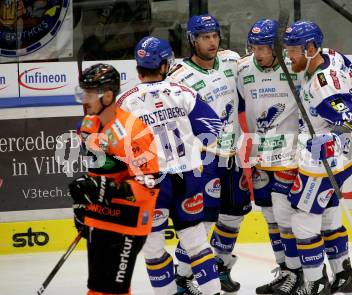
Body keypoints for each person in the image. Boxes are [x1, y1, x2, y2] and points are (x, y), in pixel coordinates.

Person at [116, 36, 222, 295]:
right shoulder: (182, 92)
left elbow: (114, 147)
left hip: (151, 184)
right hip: (187, 178)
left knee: (153, 248)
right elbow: (214, 128)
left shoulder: (125, 101)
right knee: (196, 244)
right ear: (165, 65)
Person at [283, 21, 352, 295]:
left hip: (324, 162)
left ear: (311, 48)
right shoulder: (333, 55)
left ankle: (315, 282)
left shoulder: (323, 88)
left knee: (302, 216)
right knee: (329, 215)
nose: (289, 57)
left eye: (294, 51)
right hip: (343, 157)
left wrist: (330, 139)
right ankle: (343, 274)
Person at [167, 13, 252, 294]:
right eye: (205, 37)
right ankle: (183, 276)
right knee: (201, 222)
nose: (212, 41)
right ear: (193, 40)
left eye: (215, 36)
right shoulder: (179, 76)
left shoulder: (230, 59)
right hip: (203, 158)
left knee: (234, 215)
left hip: (233, 154)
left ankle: (221, 266)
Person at [69, 63, 160, 295]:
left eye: (89, 94)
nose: (84, 99)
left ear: (108, 96)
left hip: (128, 222)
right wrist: (84, 202)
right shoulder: (89, 124)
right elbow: (96, 170)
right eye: (83, 92)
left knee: (112, 290)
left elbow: (150, 185)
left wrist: (109, 190)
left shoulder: (134, 131)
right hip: (99, 217)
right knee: (99, 289)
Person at [237, 18, 305, 295]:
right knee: (270, 216)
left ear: (277, 46)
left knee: (286, 215)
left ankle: (298, 272)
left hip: (290, 154)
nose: (258, 53)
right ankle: (284, 269)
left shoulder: (294, 66)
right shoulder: (243, 69)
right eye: (254, 47)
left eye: (264, 47)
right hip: (260, 155)